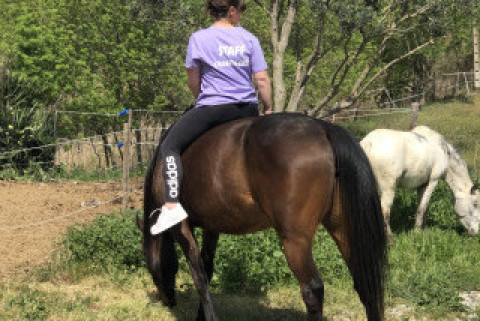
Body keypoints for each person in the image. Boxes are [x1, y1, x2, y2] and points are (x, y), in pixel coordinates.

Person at [150, 0, 272, 235]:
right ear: (232, 10)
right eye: (242, 10)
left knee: (170, 146)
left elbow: (193, 81)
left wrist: (202, 100)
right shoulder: (248, 38)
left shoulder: (199, 38)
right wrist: (267, 109)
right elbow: (263, 80)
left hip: (213, 108)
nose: (242, 15)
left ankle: (172, 205)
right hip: (246, 108)